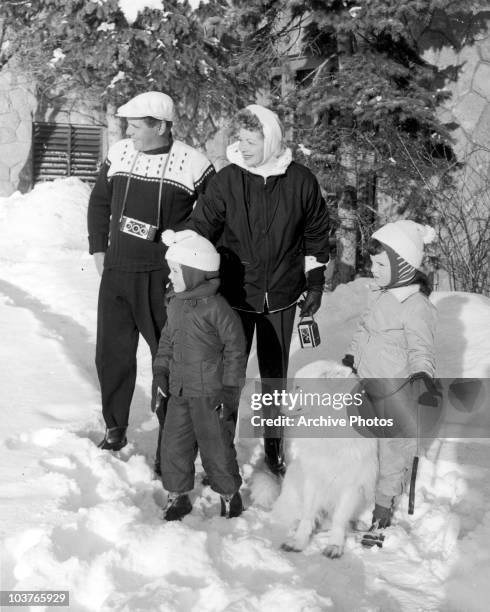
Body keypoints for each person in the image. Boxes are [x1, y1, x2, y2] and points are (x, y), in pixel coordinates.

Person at [186, 104, 330, 476]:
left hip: (282, 296)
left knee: (274, 379)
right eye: (241, 140)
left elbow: (316, 235)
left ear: (271, 139)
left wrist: (315, 281)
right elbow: (201, 230)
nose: (244, 147)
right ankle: (220, 453)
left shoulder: (300, 181)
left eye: (252, 140)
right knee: (228, 377)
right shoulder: (228, 180)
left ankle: (273, 448)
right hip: (235, 295)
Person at [87, 91, 215, 458]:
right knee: (111, 357)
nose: (128, 131)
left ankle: (170, 445)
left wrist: (183, 246)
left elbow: (212, 217)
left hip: (162, 280)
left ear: (160, 126)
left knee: (170, 363)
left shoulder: (194, 163)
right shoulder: (119, 153)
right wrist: (98, 248)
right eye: (127, 123)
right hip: (116, 273)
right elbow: (99, 202)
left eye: (135, 125)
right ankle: (114, 429)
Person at [342, 220, 439, 547]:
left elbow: (421, 348)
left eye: (381, 264)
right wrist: (351, 358)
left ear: (403, 266)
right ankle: (351, 501)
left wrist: (422, 376)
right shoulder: (381, 296)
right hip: (368, 387)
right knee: (362, 446)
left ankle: (382, 511)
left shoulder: (416, 307)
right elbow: (363, 332)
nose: (373, 269)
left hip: (397, 394)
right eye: (373, 262)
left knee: (393, 454)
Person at [152, 229, 247, 520]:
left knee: (216, 447)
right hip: (179, 391)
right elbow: (167, 342)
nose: (171, 278)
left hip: (209, 394)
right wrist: (160, 374)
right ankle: (177, 496)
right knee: (174, 445)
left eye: (176, 272)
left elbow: (235, 350)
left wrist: (230, 390)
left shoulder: (217, 308)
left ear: (195, 272)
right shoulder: (175, 303)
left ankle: (230, 494)